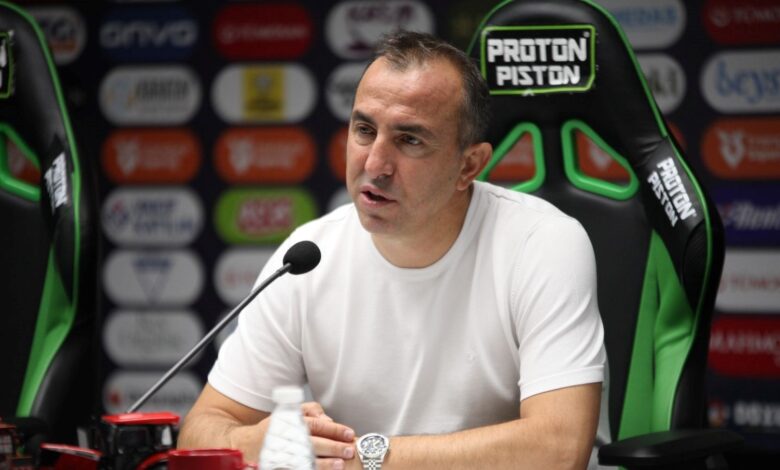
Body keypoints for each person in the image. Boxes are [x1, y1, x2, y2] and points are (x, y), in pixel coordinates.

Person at [179, 30, 605, 470]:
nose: (375, 164)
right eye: (364, 130)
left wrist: (361, 458)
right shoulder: (307, 258)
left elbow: (559, 448)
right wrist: (253, 441)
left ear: (469, 166)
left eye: (409, 140)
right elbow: (200, 430)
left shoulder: (541, 243)